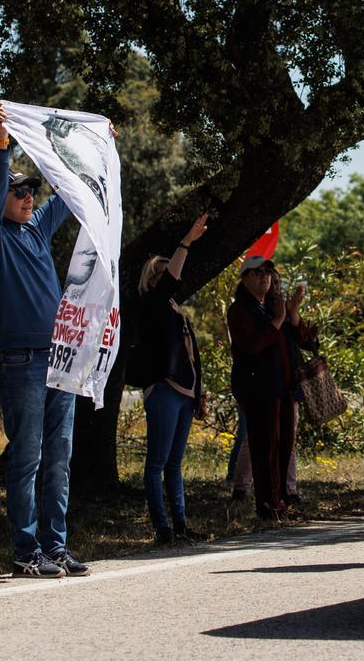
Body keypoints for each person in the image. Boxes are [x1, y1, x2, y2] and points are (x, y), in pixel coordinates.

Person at [0, 101, 90, 578]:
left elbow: (68, 191)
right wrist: (1, 142)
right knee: (28, 456)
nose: (28, 197)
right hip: (19, 360)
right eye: (20, 190)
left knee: (60, 456)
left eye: (29, 190)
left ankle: (55, 545)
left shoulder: (36, 229)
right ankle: (24, 549)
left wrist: (92, 150)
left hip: (59, 358)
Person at [134, 214, 209, 544]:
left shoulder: (175, 311)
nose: (172, 275)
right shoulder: (150, 303)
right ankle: (162, 528)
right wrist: (186, 243)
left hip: (184, 392)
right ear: (152, 280)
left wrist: (200, 394)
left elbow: (194, 356)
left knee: (175, 463)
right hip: (164, 388)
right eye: (163, 272)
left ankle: (180, 524)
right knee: (157, 463)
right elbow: (171, 281)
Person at [227, 256, 314, 518]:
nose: (265, 277)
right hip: (259, 390)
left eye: (268, 272)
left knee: (284, 445)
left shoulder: (274, 306)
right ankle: (267, 506)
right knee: (265, 448)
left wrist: (293, 313)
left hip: (284, 389)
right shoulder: (240, 309)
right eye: (258, 272)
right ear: (245, 278)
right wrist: (278, 319)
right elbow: (252, 345)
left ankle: (281, 501)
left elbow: (306, 341)